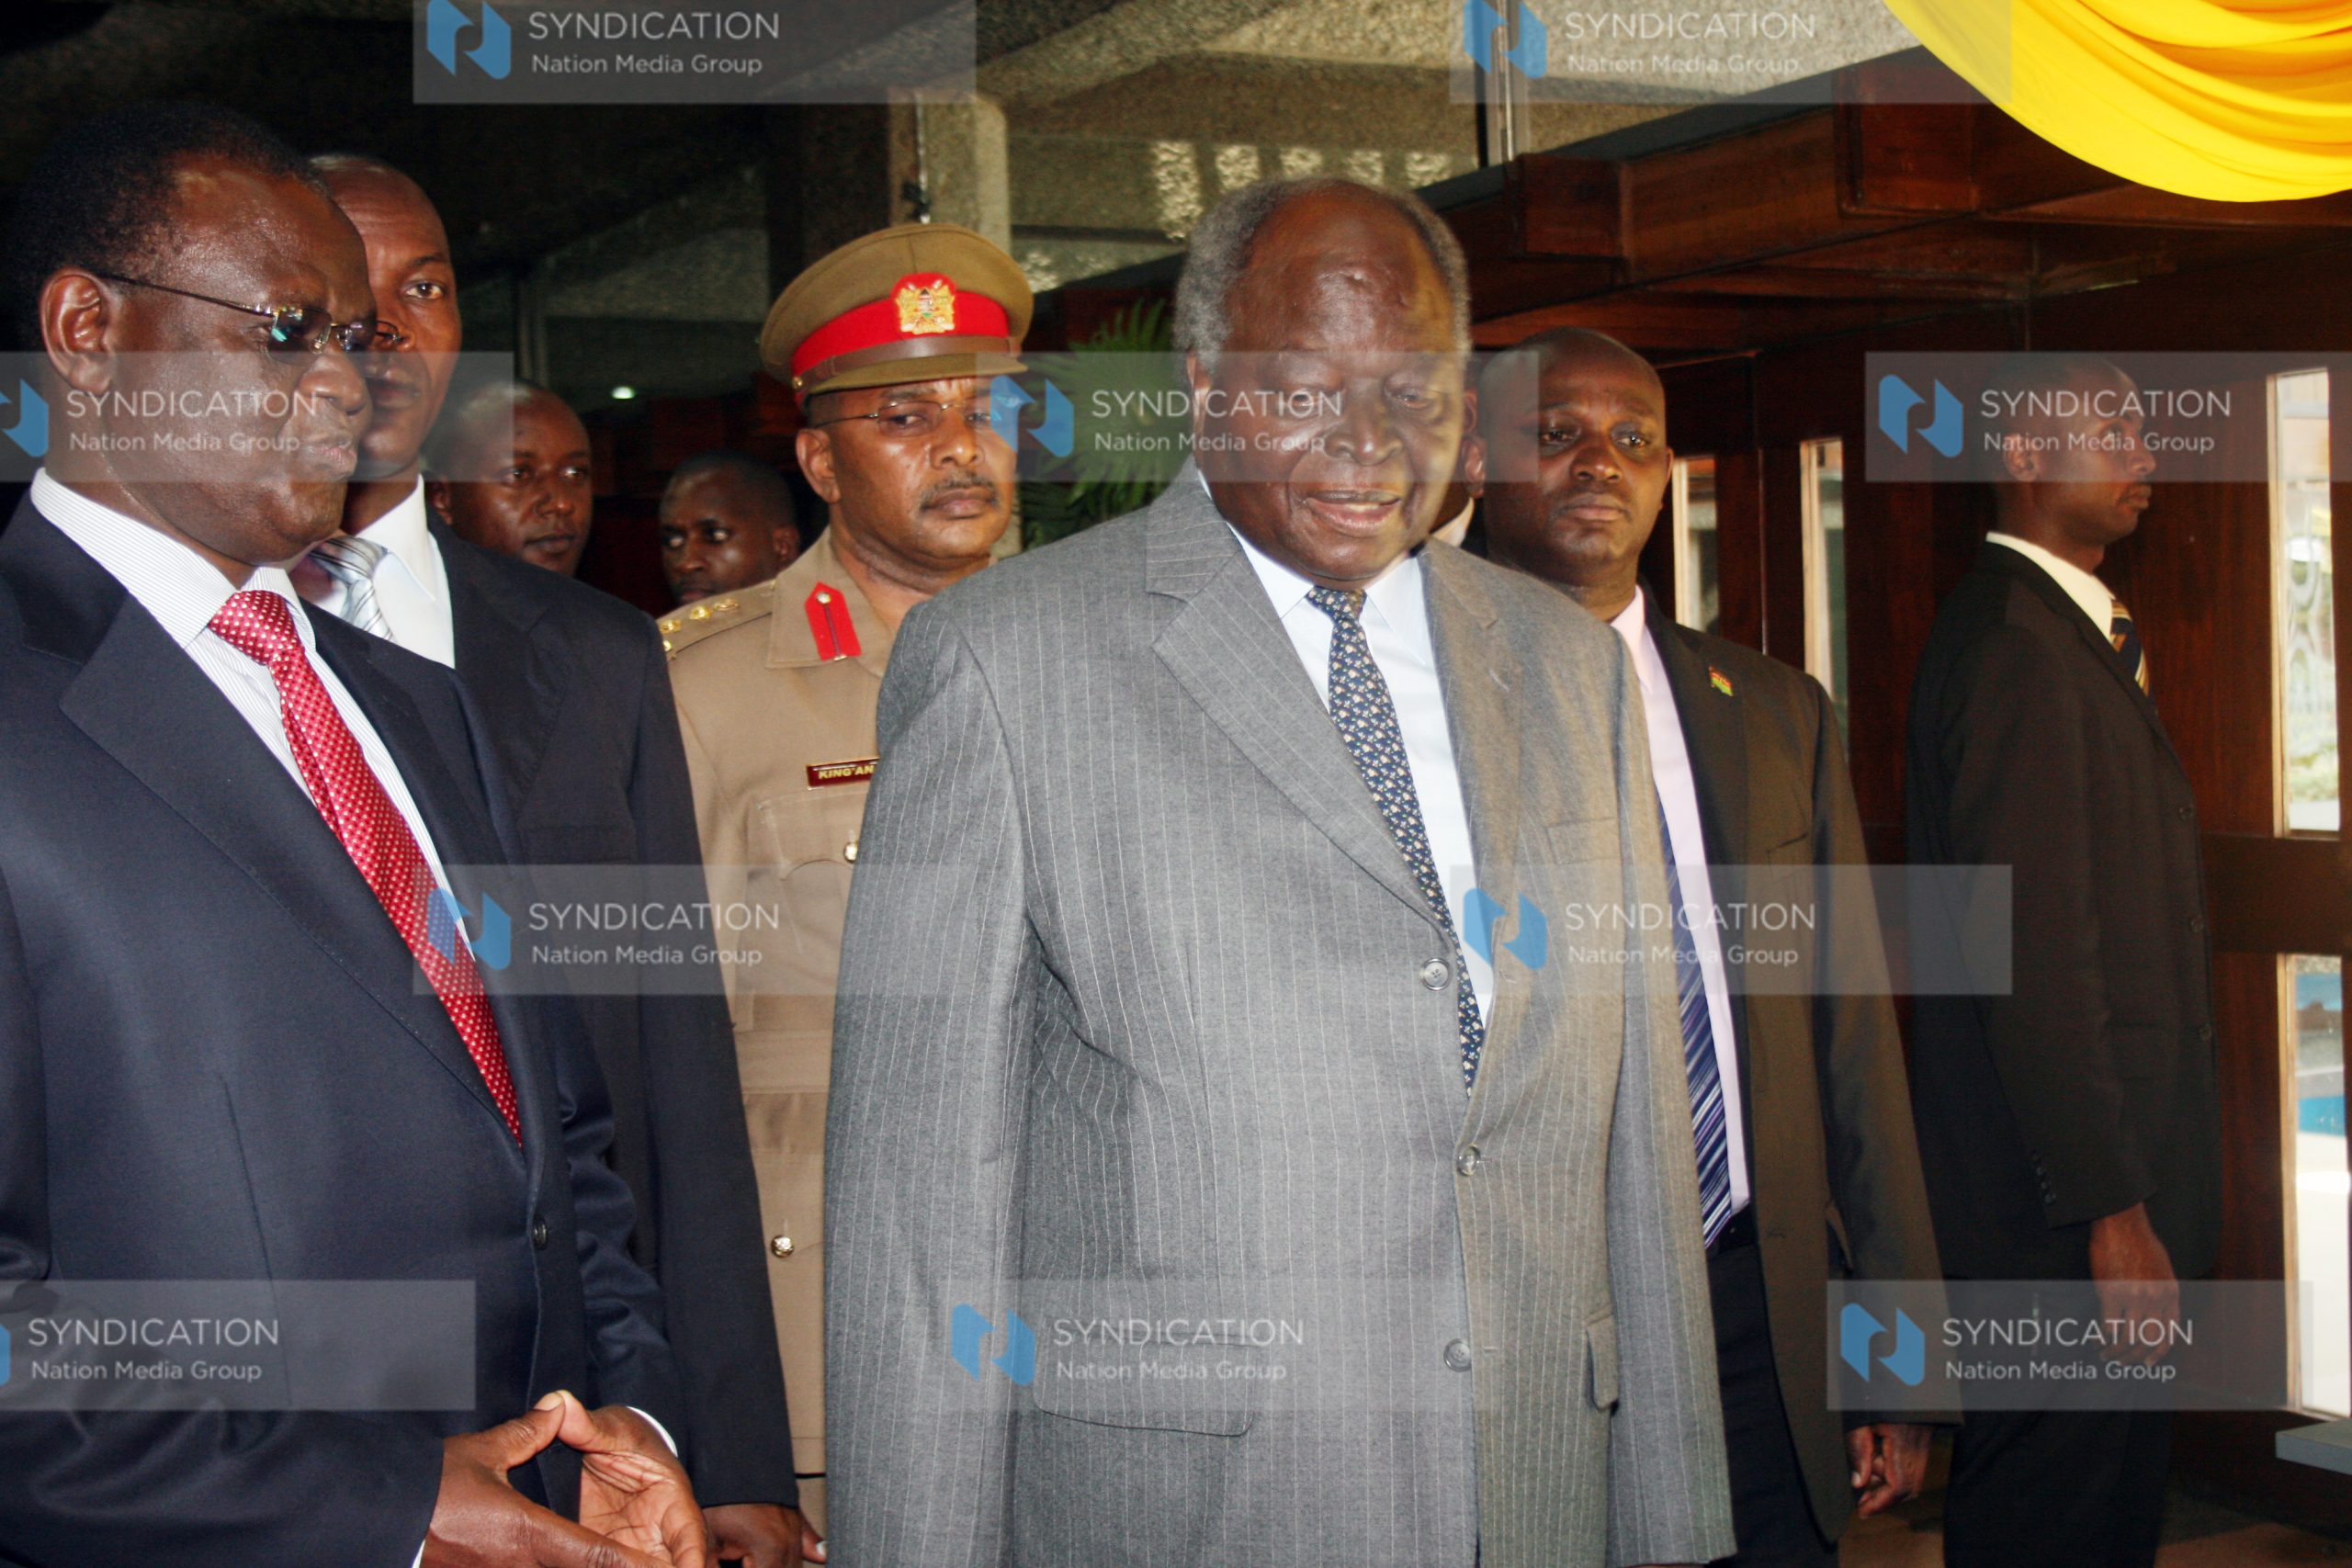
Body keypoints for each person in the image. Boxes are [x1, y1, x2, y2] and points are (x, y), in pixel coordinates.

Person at [821, 175, 1734, 1568]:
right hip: (1199, 1509)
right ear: (1203, 387)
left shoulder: (1568, 668)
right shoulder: (1012, 666)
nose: (1368, 442)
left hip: (1539, 1486)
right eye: (1305, 386)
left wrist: (1669, 1516)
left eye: (1413, 387)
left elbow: (1638, 1143)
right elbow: (919, 1212)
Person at [0, 103, 702, 1567]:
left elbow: (561, 1144)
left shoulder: (414, 706)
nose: (354, 380)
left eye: (367, 331)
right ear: (83, 327)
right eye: (290, 330)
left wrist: (626, 1422)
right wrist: (374, 1505)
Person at [302, 152, 815, 1568]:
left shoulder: (591, 657)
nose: (391, 334)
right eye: (347, 295)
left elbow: (677, 1065)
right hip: (310, 1412)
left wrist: (728, 1442)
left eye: (427, 290)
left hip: (595, 1398)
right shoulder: (193, 649)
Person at [1481, 328, 1950, 1566]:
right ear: (1475, 455)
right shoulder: (1395, 706)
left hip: (1756, 1305)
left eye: (1633, 438)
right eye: (1557, 433)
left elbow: (1850, 1037)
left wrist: (1895, 1346)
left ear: (1670, 471)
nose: (1601, 463)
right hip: (1526, 1320)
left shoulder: (1774, 710)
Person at [663, 220, 1026, 1539]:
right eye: (907, 414)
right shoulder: (701, 692)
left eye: (986, 409)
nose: (962, 445)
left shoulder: (1098, 664)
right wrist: (715, 1418)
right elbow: (651, 1074)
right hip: (828, 1353)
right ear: (819, 458)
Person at [1905, 354, 2217, 1568]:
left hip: (2084, 1202)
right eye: (2114, 428)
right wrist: (2112, 1207)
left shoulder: (2057, 631)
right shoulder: (2017, 645)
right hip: (2062, 1218)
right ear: (2027, 457)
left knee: (2100, 1509)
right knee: (2055, 1513)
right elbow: (2034, 954)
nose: (2145, 452)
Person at [428, 379, 594, 576]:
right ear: (442, 499)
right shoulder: (400, 604)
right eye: (518, 475)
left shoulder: (605, 606)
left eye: (575, 473)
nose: (561, 503)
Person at [659, 451, 803, 607]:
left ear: (783, 548)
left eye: (716, 536)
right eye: (673, 541)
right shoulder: (651, 630)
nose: (686, 564)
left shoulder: (821, 628)